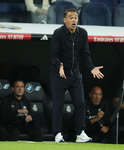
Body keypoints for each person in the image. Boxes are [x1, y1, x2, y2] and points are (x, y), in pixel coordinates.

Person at [50, 8, 104, 143]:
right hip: (59, 75)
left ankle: (80, 133)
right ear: (65, 20)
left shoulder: (83, 33)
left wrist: (91, 68)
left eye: (75, 17)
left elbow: (85, 54)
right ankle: (57, 134)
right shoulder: (58, 33)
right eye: (71, 17)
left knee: (80, 103)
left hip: (75, 74)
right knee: (58, 105)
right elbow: (54, 55)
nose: (74, 20)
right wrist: (59, 66)